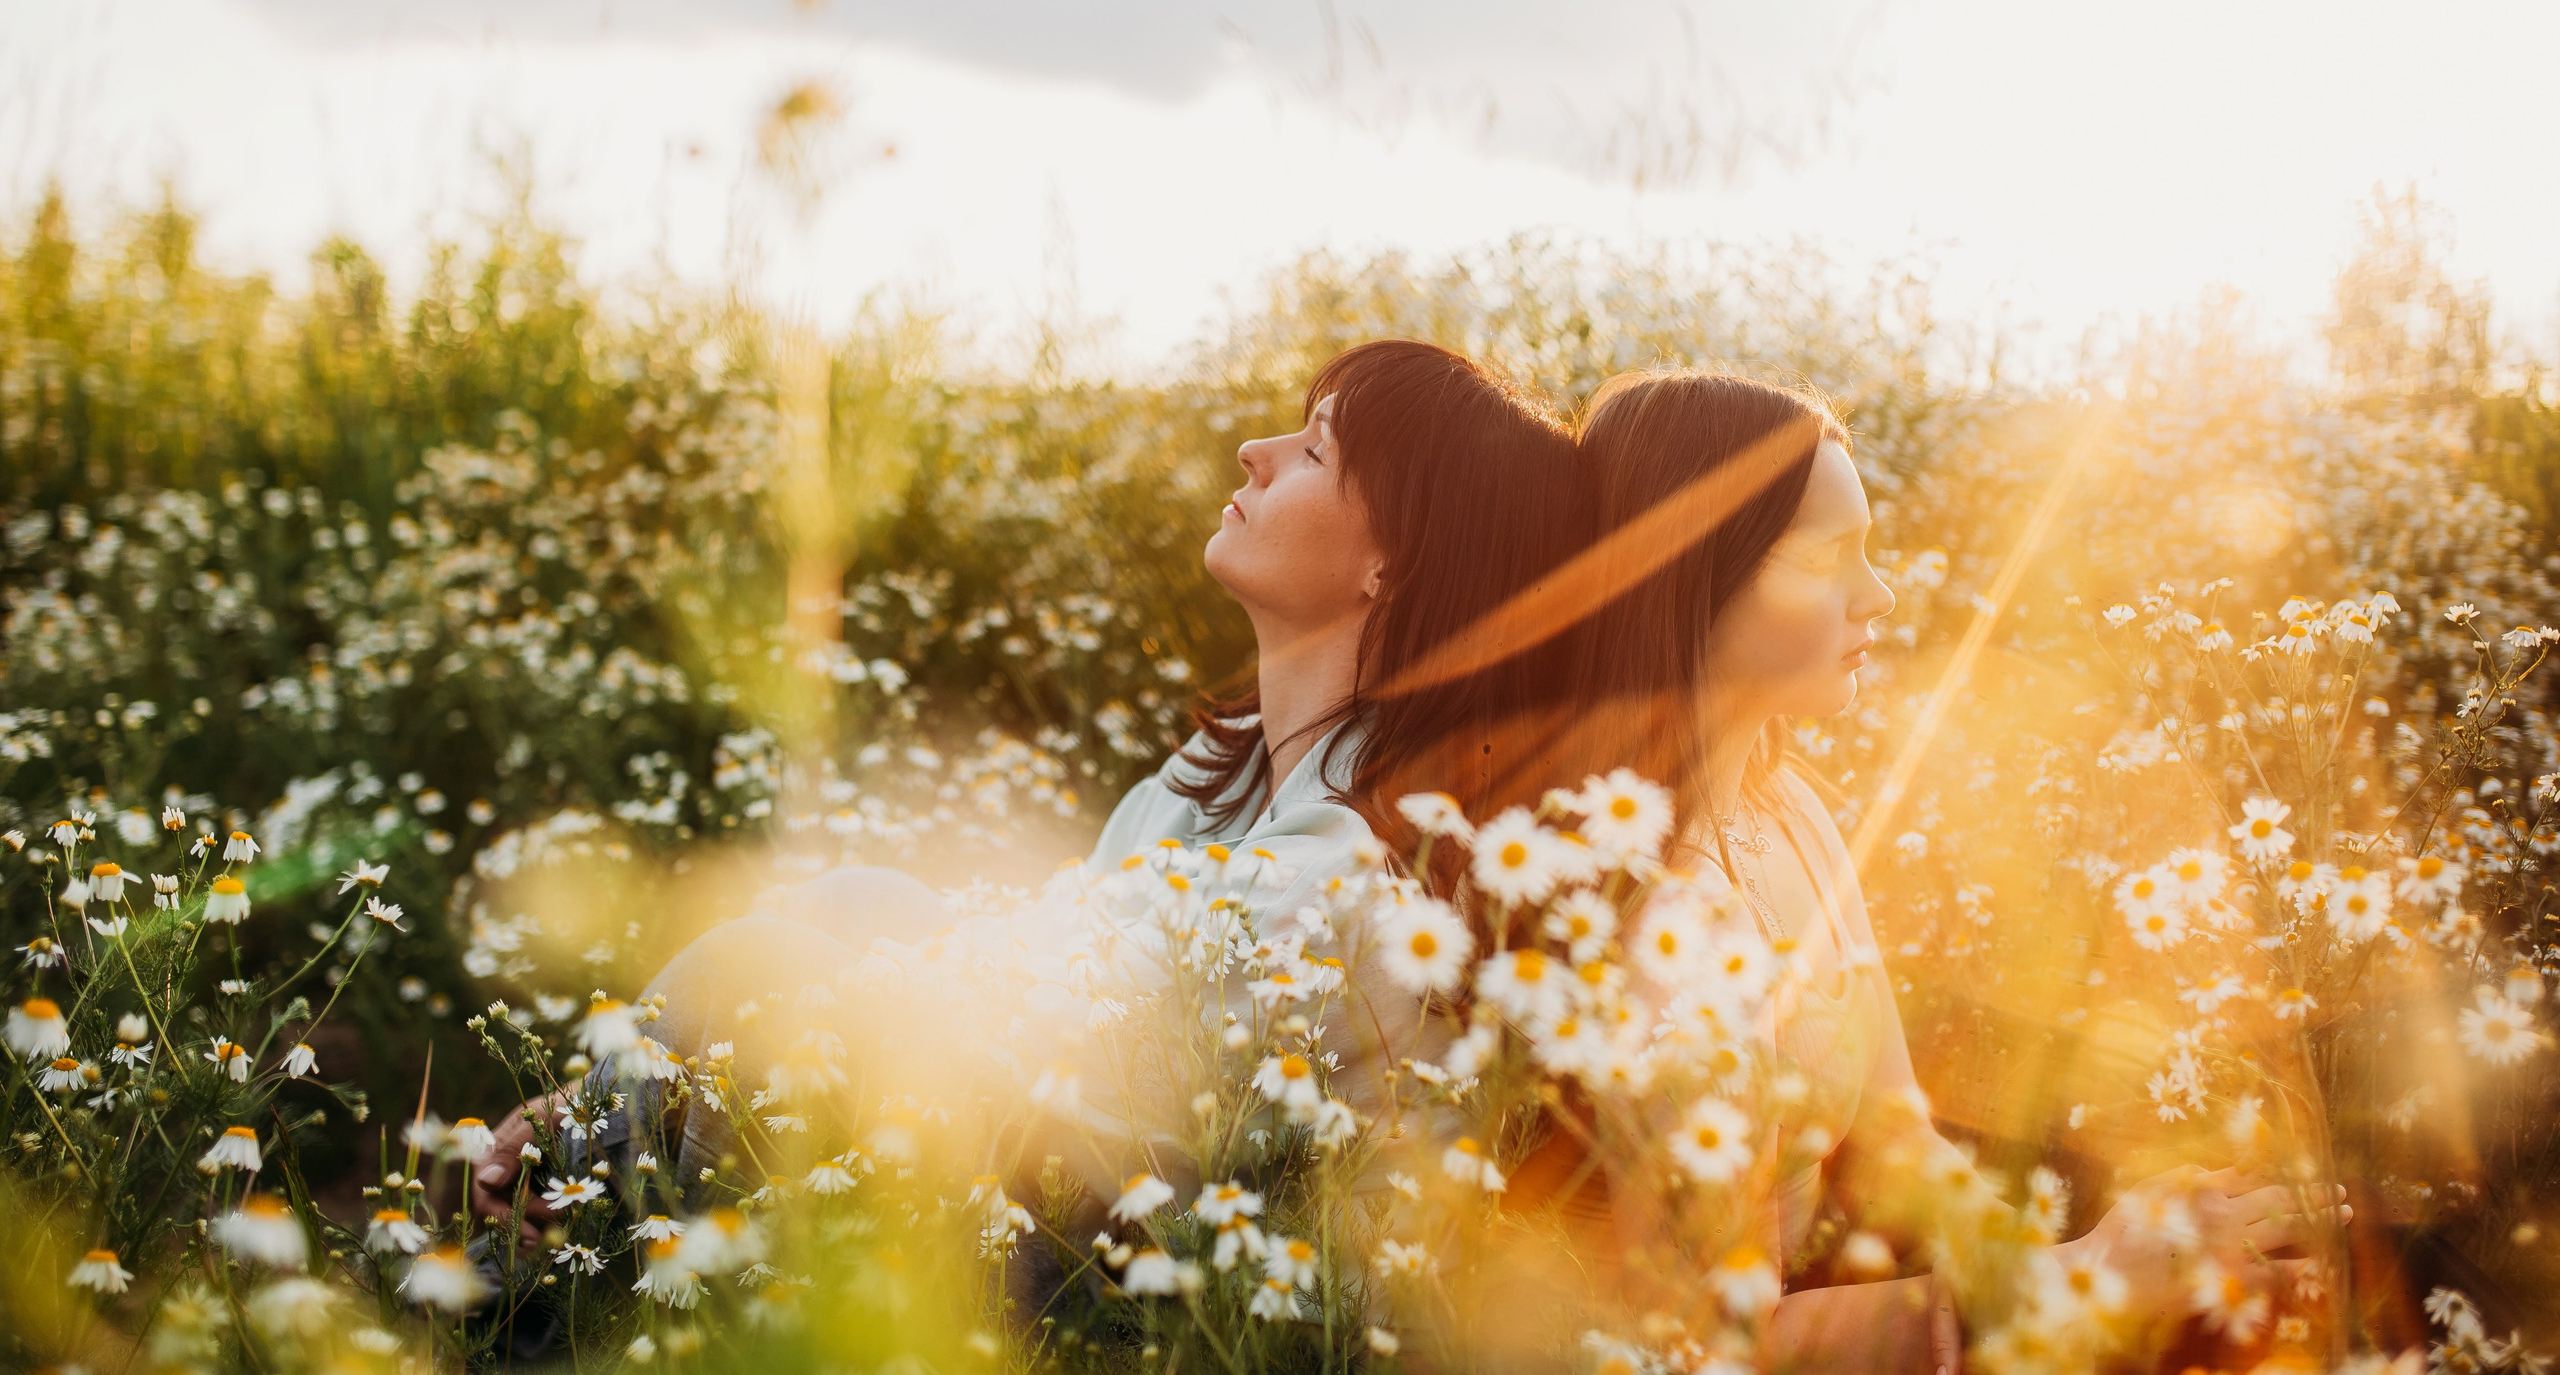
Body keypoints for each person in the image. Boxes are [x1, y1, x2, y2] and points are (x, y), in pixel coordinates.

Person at [465, 338, 1594, 1244]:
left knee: (785, 983)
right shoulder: (1218, 780)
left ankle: (529, 1263)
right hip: (1041, 1169)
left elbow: (1057, 1026)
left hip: (1140, 1265)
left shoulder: (1350, 863)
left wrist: (715, 1035)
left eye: (1312, 451)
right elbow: (1040, 951)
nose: (1253, 450)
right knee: (848, 911)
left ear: (1391, 561)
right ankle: (554, 1218)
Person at [1559, 369, 2346, 1370]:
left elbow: (1901, 1144)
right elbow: (1700, 1346)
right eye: (1825, 556)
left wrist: (2101, 1254)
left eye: (1871, 553)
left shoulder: (1786, 808)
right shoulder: (1640, 913)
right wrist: (2080, 1285)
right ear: (1687, 569)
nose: (1877, 595)